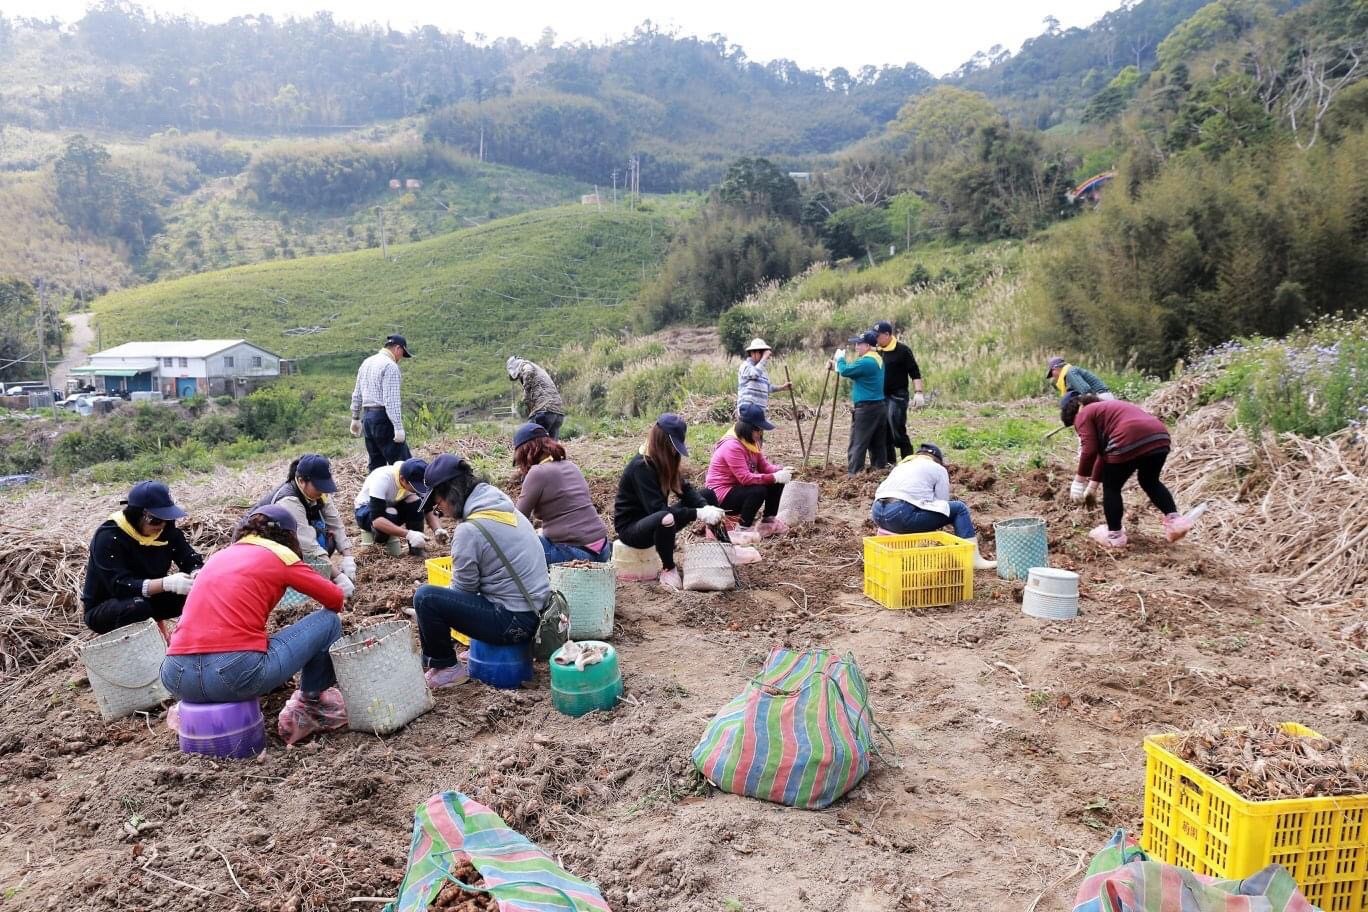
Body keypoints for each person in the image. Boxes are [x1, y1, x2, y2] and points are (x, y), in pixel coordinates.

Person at [160, 505, 347, 744]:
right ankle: (311, 706)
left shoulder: (219, 556)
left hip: (176, 677)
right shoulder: (280, 554)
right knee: (329, 621)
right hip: (234, 673)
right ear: (289, 536)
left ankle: (189, 710)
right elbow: (335, 599)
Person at [413, 454, 552, 688]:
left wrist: (429, 613)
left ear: (450, 493)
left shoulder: (470, 530)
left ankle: (446, 667)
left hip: (514, 623)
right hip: (536, 613)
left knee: (426, 598)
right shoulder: (500, 506)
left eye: (437, 505)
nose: (440, 513)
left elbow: (464, 591)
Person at [1061, 392, 1192, 549]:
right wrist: (1092, 486)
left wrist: (1079, 481)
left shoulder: (1083, 414)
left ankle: (1115, 537)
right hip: (1159, 436)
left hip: (1129, 436)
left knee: (1112, 487)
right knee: (1150, 480)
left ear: (1075, 414)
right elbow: (1103, 455)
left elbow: (1090, 450)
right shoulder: (1109, 410)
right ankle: (1176, 521)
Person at [613, 414, 724, 590]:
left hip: (656, 519)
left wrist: (705, 507)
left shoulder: (663, 461)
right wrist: (698, 513)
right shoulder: (641, 467)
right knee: (665, 517)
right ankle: (668, 567)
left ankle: (725, 545)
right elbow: (657, 509)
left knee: (708, 494)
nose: (674, 452)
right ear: (662, 442)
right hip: (632, 529)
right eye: (672, 447)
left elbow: (685, 491)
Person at [81, 481, 205, 634]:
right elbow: (120, 585)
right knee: (137, 607)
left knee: (199, 593)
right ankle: (147, 648)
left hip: (150, 599)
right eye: (156, 520)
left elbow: (189, 559)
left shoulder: (167, 532)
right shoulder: (109, 537)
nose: (161, 526)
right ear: (137, 514)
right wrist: (166, 584)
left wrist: (197, 574)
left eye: (167, 518)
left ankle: (195, 641)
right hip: (110, 605)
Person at [870, 444, 996, 570]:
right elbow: (942, 503)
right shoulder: (938, 468)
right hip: (901, 514)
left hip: (877, 513)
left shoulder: (902, 465)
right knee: (959, 508)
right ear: (937, 460)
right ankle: (974, 559)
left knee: (917, 509)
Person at [256, 454, 356, 598]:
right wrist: (339, 577)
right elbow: (308, 546)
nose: (322, 491)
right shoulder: (289, 500)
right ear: (302, 481)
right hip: (264, 547)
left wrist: (348, 557)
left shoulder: (318, 493)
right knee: (306, 550)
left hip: (291, 538)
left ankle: (318, 575)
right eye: (319, 487)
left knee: (326, 537)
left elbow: (335, 523)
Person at [512, 422, 610, 565]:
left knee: (515, 546)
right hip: (602, 550)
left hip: (577, 555)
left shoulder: (537, 473)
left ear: (525, 452)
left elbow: (518, 519)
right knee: (540, 533)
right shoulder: (571, 466)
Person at [705, 403, 793, 544]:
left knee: (776, 482)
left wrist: (781, 470)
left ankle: (768, 521)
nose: (760, 434)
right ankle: (743, 528)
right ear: (748, 428)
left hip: (739, 489)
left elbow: (764, 467)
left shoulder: (752, 442)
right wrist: (773, 477)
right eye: (758, 430)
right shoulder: (732, 445)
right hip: (722, 494)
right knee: (758, 490)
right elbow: (745, 478)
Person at [354, 457, 446, 556]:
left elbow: (427, 509)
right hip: (366, 512)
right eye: (415, 487)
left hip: (392, 506)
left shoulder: (414, 476)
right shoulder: (382, 479)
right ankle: (379, 543)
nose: (418, 490)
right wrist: (409, 534)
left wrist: (437, 529)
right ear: (402, 479)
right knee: (391, 513)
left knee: (416, 502)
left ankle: (416, 549)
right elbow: (377, 520)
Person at [350, 334, 413, 471]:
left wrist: (355, 418)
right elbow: (391, 400)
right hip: (382, 418)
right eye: (402, 353)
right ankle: (413, 492)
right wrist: (398, 427)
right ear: (397, 348)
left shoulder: (367, 362)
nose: (401, 358)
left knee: (376, 466)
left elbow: (357, 394)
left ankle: (374, 492)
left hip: (367, 419)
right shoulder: (390, 366)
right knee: (404, 466)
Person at [833, 330, 888, 475]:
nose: (856, 347)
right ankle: (879, 471)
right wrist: (836, 366)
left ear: (868, 346)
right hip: (879, 407)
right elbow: (855, 372)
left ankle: (854, 474)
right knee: (877, 443)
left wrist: (840, 360)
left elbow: (845, 371)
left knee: (858, 442)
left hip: (866, 408)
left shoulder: (866, 362)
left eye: (859, 344)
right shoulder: (877, 359)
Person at [873, 320, 924, 464]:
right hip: (882, 396)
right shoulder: (878, 351)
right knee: (885, 431)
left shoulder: (902, 350)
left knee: (896, 426)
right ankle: (890, 463)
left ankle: (908, 460)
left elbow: (914, 372)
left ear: (887, 334)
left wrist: (918, 392)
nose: (876, 339)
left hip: (897, 395)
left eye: (878, 336)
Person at [506, 355, 566, 439]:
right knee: (552, 448)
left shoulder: (525, 365)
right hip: (558, 413)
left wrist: (526, 395)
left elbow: (528, 371)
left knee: (529, 439)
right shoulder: (538, 369)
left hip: (544, 411)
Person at [736, 338, 791, 414]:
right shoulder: (746, 366)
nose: (763, 356)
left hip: (759, 414)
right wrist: (764, 358)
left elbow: (767, 388)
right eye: (761, 352)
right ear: (752, 353)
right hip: (747, 412)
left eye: (763, 353)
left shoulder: (762, 371)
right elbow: (754, 374)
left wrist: (782, 387)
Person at [1046, 357, 1114, 400]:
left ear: (1056, 368)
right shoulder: (1068, 373)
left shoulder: (1070, 373)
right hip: (1099, 397)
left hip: (1101, 397)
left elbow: (1086, 391)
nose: (1053, 377)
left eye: (1051, 373)